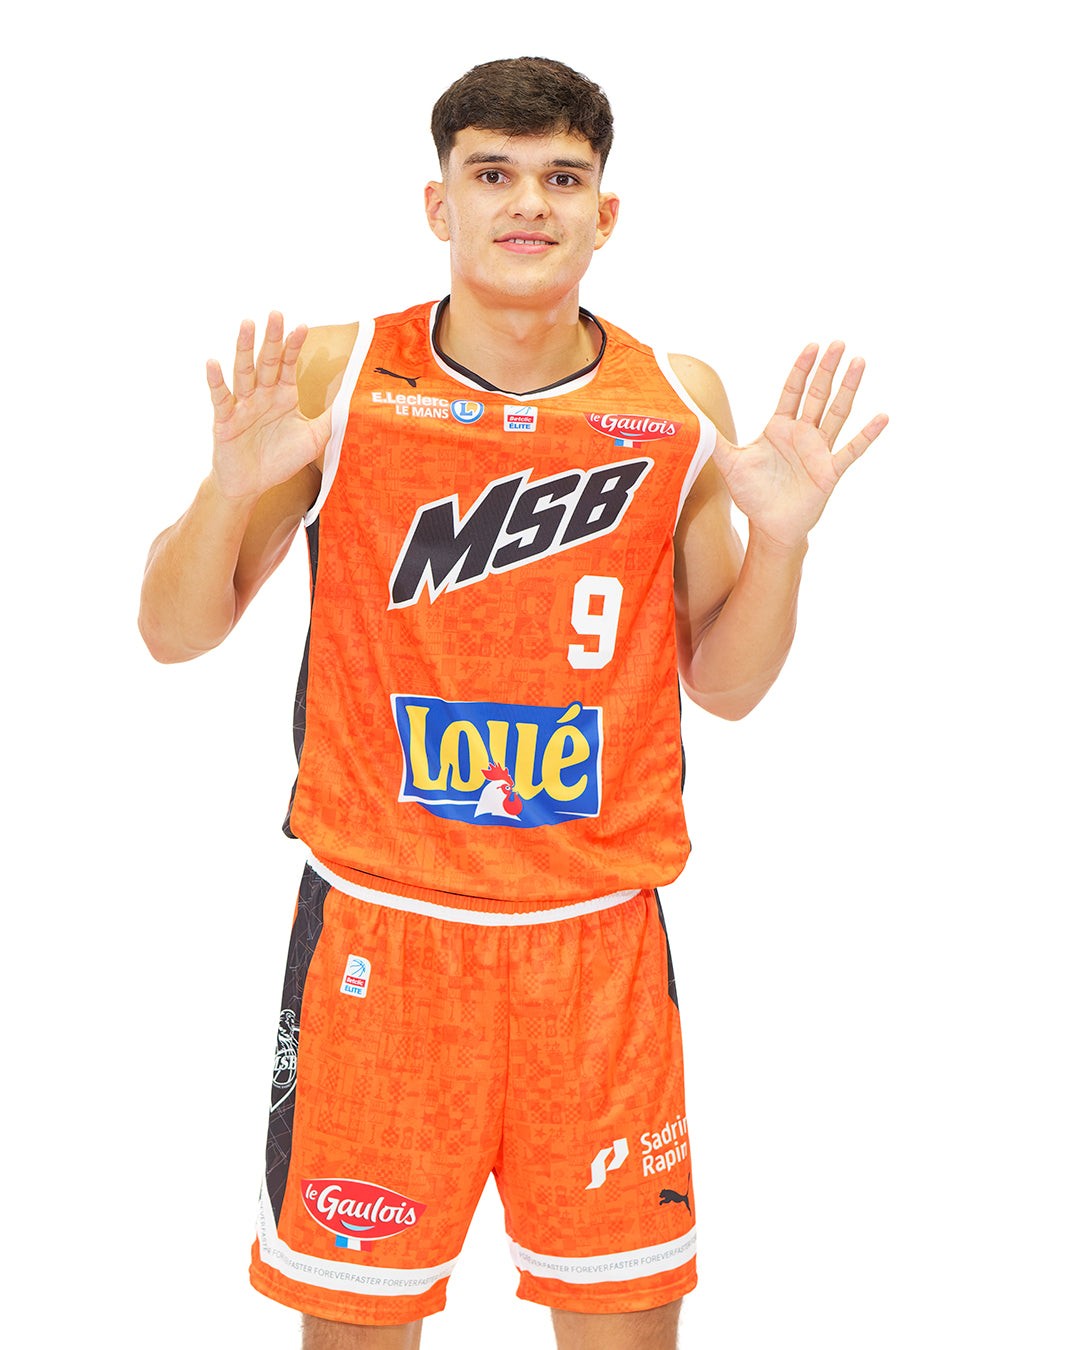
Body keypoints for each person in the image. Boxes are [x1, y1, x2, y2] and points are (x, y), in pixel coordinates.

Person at [139, 55, 886, 1350]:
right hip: (384, 940)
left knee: (628, 1323)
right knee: (356, 1328)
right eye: (492, 173)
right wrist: (226, 490)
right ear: (440, 204)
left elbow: (729, 686)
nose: (528, 202)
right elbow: (173, 630)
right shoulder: (338, 376)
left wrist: (783, 542)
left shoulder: (676, 403)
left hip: (595, 949)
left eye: (562, 178)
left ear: (607, 213)